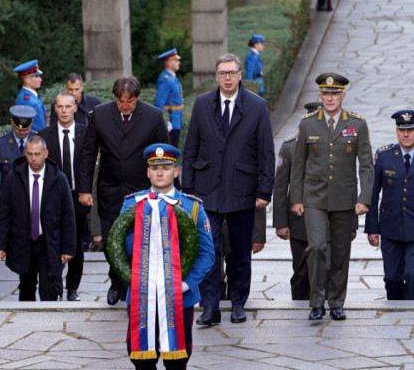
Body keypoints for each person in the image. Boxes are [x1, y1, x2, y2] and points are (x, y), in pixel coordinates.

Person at [183, 53, 275, 325]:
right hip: (206, 191)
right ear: (216, 75)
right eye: (222, 73)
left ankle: (238, 303)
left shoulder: (257, 106)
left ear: (239, 75)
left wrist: (264, 191)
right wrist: (187, 189)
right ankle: (209, 307)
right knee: (209, 251)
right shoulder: (202, 104)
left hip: (242, 190)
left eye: (232, 73)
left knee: (240, 252)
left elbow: (266, 152)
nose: (227, 78)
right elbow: (190, 149)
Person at [77, 76, 170, 306]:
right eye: (121, 101)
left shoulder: (153, 116)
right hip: (109, 189)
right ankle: (116, 279)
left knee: (137, 242)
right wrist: (84, 189)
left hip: (141, 191)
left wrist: (166, 189)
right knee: (110, 242)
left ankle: (131, 283)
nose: (125, 105)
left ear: (137, 98)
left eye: (130, 100)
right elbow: (88, 153)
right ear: (115, 98)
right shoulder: (100, 114)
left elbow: (166, 155)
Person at [121, 143, 214, 370]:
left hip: (178, 295)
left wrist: (186, 283)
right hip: (142, 293)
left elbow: (207, 254)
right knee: (140, 356)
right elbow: (120, 248)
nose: (160, 172)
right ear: (148, 172)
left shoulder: (192, 207)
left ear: (176, 171)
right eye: (155, 168)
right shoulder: (132, 204)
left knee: (178, 359)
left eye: (165, 167)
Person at [290, 73, 374, 321]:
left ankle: (336, 301)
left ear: (342, 96)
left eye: (335, 93)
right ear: (320, 95)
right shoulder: (307, 124)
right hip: (314, 198)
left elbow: (367, 165)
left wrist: (364, 197)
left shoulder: (357, 124)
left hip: (344, 199)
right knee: (315, 247)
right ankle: (316, 302)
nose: (330, 98)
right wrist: (296, 199)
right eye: (326, 93)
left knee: (340, 251)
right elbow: (297, 165)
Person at [364, 110, 414, 300]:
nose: (406, 134)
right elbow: (373, 195)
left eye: (410, 130)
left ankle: (410, 310)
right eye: (402, 130)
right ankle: (395, 310)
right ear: (396, 131)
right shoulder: (384, 157)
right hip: (390, 228)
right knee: (392, 278)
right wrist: (371, 229)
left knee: (413, 277)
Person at [0, 135, 76, 301]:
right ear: (25, 153)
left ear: (46, 153)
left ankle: (49, 324)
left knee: (49, 288)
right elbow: (5, 213)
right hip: (23, 241)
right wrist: (0, 245)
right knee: (26, 287)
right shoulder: (14, 178)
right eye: (30, 154)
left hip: (49, 241)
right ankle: (26, 324)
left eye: (37, 154)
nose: (33, 158)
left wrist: (68, 248)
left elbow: (68, 215)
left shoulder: (59, 179)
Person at [38, 92, 89, 301]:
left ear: (75, 108)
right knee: (52, 241)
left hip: (78, 197)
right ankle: (54, 285)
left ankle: (73, 288)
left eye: (68, 106)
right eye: (60, 107)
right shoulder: (45, 135)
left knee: (75, 243)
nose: (64, 110)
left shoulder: (86, 133)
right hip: (52, 198)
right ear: (55, 109)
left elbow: (89, 164)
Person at [273, 101, 321, 300]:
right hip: (299, 222)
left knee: (326, 270)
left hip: (329, 218)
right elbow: (281, 187)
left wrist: (351, 223)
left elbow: (347, 184)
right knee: (301, 271)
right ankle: (300, 308)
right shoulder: (290, 146)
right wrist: (281, 223)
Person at [0, 105, 37, 221]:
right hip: (8, 202)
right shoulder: (0, 144)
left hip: (34, 201)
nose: (21, 132)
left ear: (32, 123)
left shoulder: (39, 140)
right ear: (11, 122)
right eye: (18, 128)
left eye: (25, 129)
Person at [154, 48, 184, 148]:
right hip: (170, 120)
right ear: (169, 63)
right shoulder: (165, 79)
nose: (179, 62)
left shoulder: (172, 77)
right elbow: (159, 102)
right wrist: (164, 120)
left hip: (176, 119)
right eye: (176, 60)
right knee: (170, 151)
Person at [13, 59, 47, 131]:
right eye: (37, 76)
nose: (40, 80)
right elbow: (25, 129)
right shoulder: (25, 101)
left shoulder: (31, 97)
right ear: (27, 80)